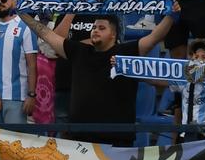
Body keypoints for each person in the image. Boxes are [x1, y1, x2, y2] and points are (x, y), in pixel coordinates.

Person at [20, 11, 174, 145]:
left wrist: (171, 15)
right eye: (94, 28)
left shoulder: (126, 52)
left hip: (117, 139)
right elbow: (47, 34)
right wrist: (22, 14)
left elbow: (154, 37)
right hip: (81, 138)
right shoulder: (79, 51)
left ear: (113, 34)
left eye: (101, 28)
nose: (95, 31)